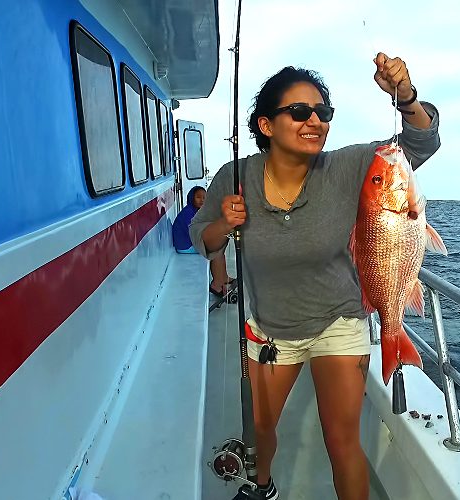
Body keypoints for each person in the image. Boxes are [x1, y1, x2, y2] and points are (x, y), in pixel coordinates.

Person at [189, 52, 440, 500]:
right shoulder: (235, 176)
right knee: (261, 434)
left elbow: (418, 143)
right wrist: (222, 224)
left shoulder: (345, 168)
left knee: (342, 442)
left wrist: (405, 94)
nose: (315, 122)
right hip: (271, 327)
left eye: (323, 113)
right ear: (266, 125)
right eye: (299, 112)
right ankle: (262, 485)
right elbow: (204, 242)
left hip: (339, 320)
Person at [172, 186, 233, 297]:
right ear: (191, 198)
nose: (202, 200)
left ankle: (224, 277)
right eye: (198, 197)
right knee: (215, 250)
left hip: (189, 242)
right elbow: (196, 235)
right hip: (185, 246)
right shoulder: (189, 213)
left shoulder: (194, 211)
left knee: (220, 245)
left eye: (205, 197)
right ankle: (217, 284)